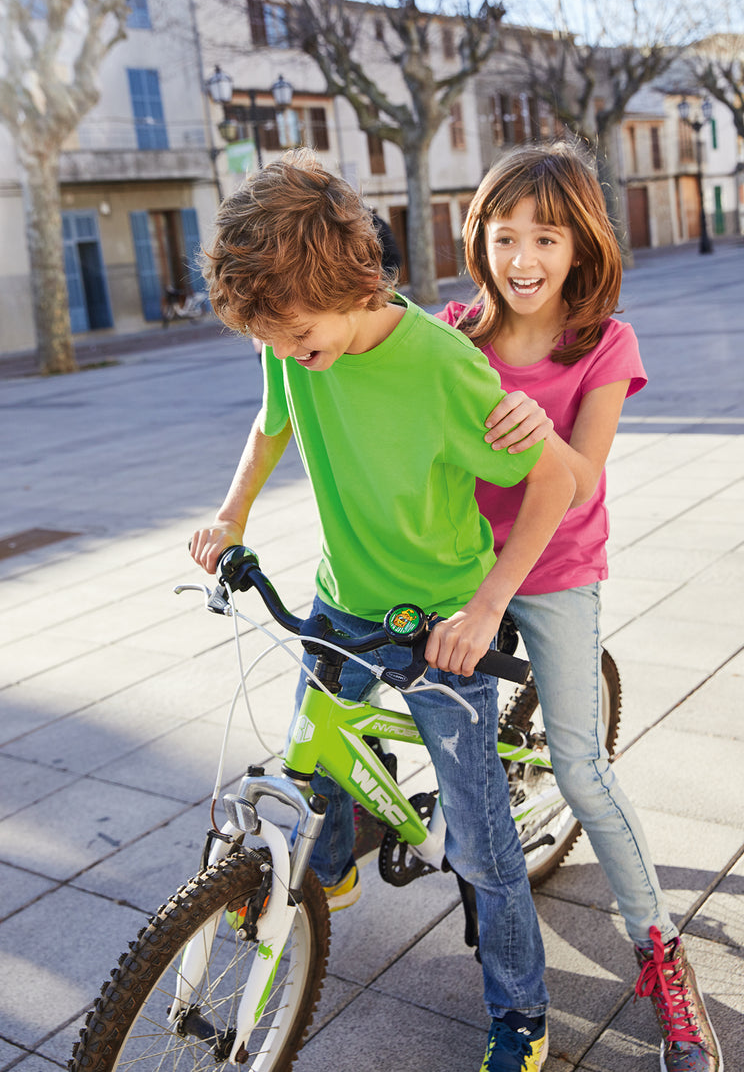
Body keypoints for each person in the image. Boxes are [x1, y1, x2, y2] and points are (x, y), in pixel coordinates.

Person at [190, 148, 577, 1072]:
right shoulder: (294, 340)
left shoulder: (441, 368)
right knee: (308, 758)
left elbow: (555, 479)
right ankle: (324, 875)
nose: (291, 354)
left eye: (299, 336)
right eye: (276, 341)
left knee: (483, 845)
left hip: (440, 618)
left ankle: (522, 1011)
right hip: (343, 597)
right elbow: (272, 419)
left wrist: (486, 607)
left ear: (351, 284)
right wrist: (231, 513)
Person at [437, 140, 722, 1072]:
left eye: (546, 238)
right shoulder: (454, 334)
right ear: (478, 239)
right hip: (462, 565)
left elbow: (582, 477)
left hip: (556, 567)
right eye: (505, 235)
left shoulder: (604, 342)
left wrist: (539, 432)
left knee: (580, 766)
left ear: (580, 248)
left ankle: (662, 955)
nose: (522, 258)